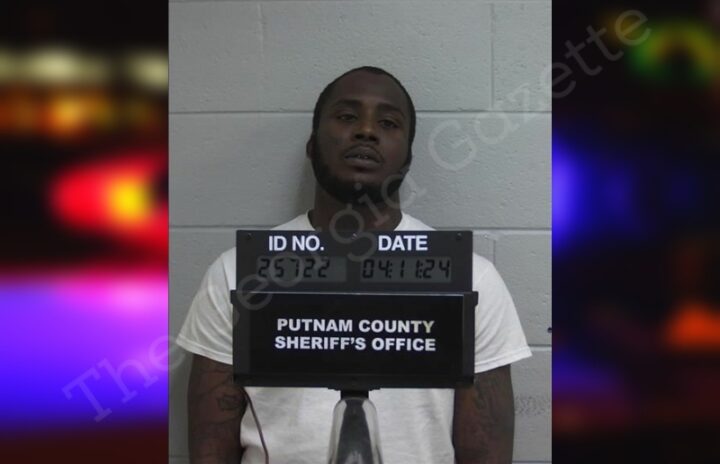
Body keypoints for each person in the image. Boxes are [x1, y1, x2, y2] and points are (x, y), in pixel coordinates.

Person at [176, 66, 532, 463]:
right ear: (312, 146)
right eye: (347, 116)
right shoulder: (237, 273)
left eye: (388, 123)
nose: (366, 131)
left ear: (408, 158)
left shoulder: (473, 278)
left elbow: (485, 451)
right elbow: (211, 447)